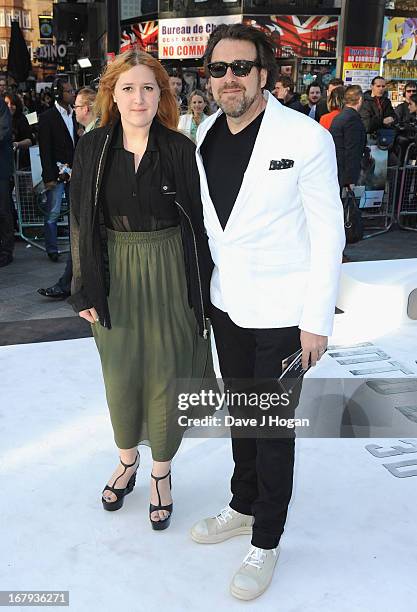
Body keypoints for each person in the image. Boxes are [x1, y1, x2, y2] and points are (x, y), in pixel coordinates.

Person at [190, 23, 345, 601]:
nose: (228, 79)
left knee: (272, 429)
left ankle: (267, 539)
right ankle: (241, 505)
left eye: (240, 67)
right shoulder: (205, 132)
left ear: (263, 73)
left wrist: (317, 322)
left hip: (285, 317)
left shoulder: (305, 137)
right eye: (217, 69)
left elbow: (329, 233)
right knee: (242, 416)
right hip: (229, 306)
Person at [68, 50, 214, 530]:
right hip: (114, 273)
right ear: (112, 93)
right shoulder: (92, 148)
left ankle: (160, 473)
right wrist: (83, 287)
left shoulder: (178, 148)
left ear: (161, 95)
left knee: (168, 373)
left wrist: (205, 293)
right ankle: (128, 460)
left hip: (171, 268)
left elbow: (200, 226)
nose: (138, 97)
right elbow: (80, 225)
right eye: (128, 88)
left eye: (148, 88)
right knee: (122, 373)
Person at [38, 88, 98, 300]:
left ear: (87, 108)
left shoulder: (93, 133)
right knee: (74, 239)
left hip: (88, 200)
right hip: (70, 185)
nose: (75, 109)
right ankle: (69, 284)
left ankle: (72, 287)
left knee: (80, 243)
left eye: (78, 106)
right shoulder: (88, 130)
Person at [38, 79, 78, 261]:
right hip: (57, 172)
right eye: (69, 91)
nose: (72, 94)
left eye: (72, 91)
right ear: (59, 94)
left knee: (74, 211)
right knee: (53, 212)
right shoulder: (47, 117)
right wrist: (49, 176)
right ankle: (52, 249)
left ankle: (74, 246)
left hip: (75, 170)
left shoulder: (76, 115)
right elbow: (44, 150)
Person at [330, 85, 367, 191]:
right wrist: (350, 179)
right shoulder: (352, 119)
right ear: (360, 99)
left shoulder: (340, 117)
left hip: (336, 169)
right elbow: (352, 150)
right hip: (344, 173)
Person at [0, 98, 14, 268]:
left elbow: (3, 131)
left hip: (1, 169)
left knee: (3, 210)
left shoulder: (1, 105)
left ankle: (6, 251)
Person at [4, 92, 34, 169]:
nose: (9, 106)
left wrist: (17, 144)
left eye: (12, 104)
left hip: (19, 163)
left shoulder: (21, 119)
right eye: (6, 103)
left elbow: (29, 141)